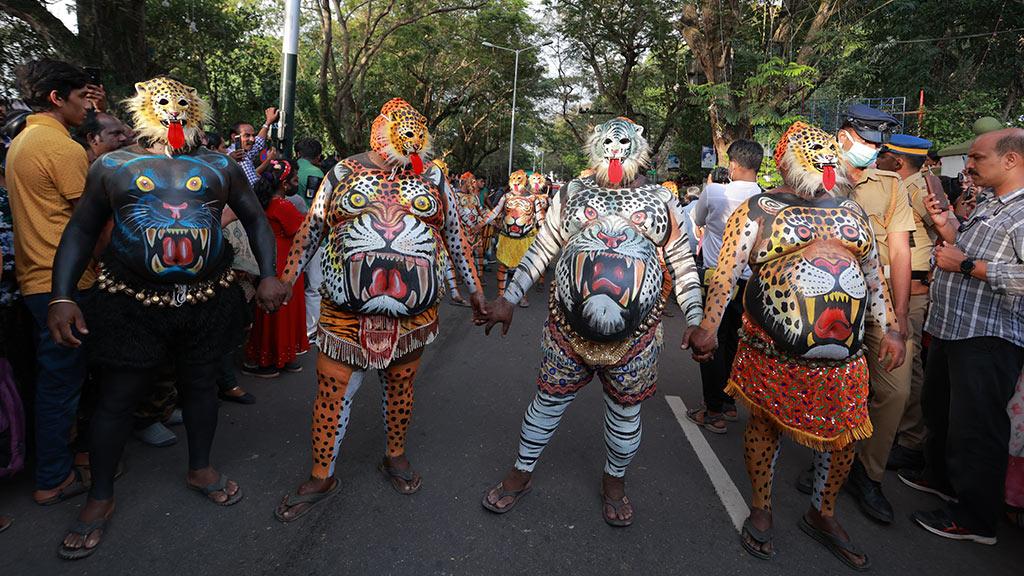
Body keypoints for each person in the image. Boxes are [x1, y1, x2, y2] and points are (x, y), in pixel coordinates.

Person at [46, 76, 288, 559]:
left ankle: (200, 468)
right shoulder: (114, 165)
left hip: (208, 296)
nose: (174, 111)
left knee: (200, 387)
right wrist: (61, 296)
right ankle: (100, 497)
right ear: (143, 110)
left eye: (183, 103)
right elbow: (81, 229)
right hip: (130, 301)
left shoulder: (220, 165)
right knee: (116, 397)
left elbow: (255, 218)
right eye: (164, 103)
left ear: (197, 110)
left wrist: (269, 274)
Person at [692, 121, 904, 569]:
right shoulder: (757, 209)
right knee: (765, 428)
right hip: (771, 351)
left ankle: (822, 512)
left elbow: (874, 278)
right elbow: (726, 274)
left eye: (828, 155)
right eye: (813, 156)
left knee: (844, 437)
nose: (823, 164)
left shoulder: (853, 212)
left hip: (844, 357)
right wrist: (709, 327)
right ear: (785, 165)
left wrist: (892, 330)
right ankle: (762, 508)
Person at [480, 117, 704, 527]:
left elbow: (683, 262)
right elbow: (542, 249)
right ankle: (521, 473)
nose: (615, 147)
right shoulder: (571, 193)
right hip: (566, 333)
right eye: (607, 140)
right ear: (594, 147)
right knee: (547, 403)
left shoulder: (660, 199)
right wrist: (509, 298)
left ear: (639, 149)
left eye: (624, 141)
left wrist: (695, 318)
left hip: (635, 341)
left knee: (625, 415)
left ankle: (613, 482)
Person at [273, 98, 484, 522]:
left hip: (412, 315)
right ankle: (321, 474)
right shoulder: (343, 172)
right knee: (332, 393)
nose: (408, 146)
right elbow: (311, 230)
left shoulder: (435, 178)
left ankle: (395, 456)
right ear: (380, 132)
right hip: (343, 312)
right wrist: (283, 281)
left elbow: (457, 238)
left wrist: (477, 292)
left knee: (400, 388)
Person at [901, 128, 1024, 545]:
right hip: (954, 327)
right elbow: (970, 248)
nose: (968, 166)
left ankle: (975, 519)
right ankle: (939, 478)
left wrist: (968, 265)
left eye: (977, 158)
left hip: (988, 337)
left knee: (977, 428)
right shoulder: (993, 204)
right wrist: (947, 227)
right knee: (942, 411)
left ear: (1011, 160)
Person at [810, 103, 913, 525]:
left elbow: (901, 248)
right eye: (866, 141)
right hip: (823, 302)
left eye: (877, 144)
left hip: (877, 302)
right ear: (845, 135)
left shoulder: (890, 185)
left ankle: (867, 474)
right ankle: (824, 462)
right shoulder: (810, 174)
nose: (871, 150)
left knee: (895, 390)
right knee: (824, 384)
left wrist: (900, 317)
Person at [6, 59, 101, 507]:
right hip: (65, 286)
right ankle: (53, 478)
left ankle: (61, 465)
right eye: (82, 97)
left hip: (35, 281)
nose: (89, 106)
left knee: (56, 380)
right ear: (56, 98)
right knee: (62, 383)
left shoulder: (21, 142)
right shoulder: (61, 148)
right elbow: (91, 224)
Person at [874, 134, 947, 472]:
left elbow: (947, 230)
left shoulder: (917, 188)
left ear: (898, 161)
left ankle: (911, 439)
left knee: (909, 366)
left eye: (885, 154)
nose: (879, 158)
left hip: (913, 292)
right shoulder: (894, 187)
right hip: (888, 288)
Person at [687, 139, 763, 434]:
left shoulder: (715, 192)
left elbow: (698, 219)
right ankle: (730, 403)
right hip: (749, 285)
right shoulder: (767, 199)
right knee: (735, 341)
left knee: (709, 340)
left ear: (732, 164)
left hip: (718, 279)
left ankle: (714, 411)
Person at [244, 160, 308, 376]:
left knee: (272, 313)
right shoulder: (282, 206)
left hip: (270, 259)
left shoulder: (261, 203)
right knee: (281, 311)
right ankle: (274, 359)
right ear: (285, 184)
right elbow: (303, 231)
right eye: (295, 179)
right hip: (284, 262)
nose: (297, 183)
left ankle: (275, 356)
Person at [478, 170, 540, 307]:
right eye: (514, 179)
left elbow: (541, 219)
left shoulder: (532, 198)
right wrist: (480, 225)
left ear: (524, 180)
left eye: (519, 179)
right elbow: (494, 212)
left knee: (523, 269)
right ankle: (501, 296)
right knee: (503, 266)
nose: (517, 182)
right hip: (507, 238)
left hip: (525, 239)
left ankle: (522, 296)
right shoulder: (506, 197)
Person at [228, 108, 279, 186]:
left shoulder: (245, 152)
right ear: (234, 136)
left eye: (253, 135)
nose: (252, 139)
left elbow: (258, 142)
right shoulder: (238, 157)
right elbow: (254, 187)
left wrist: (267, 123)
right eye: (247, 135)